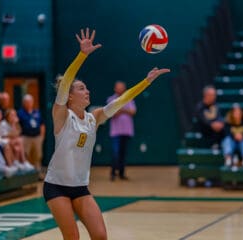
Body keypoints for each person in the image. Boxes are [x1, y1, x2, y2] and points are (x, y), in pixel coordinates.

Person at [43, 28, 170, 240]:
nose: (87, 91)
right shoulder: (61, 115)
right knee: (72, 237)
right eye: (82, 89)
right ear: (70, 97)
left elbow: (121, 101)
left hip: (80, 187)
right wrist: (82, 55)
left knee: (100, 236)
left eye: (86, 88)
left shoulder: (94, 118)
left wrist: (146, 81)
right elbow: (66, 82)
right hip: (56, 187)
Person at [107, 81, 136, 181]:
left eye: (122, 87)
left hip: (126, 131)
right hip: (115, 132)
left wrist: (121, 110)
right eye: (119, 87)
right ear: (115, 88)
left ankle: (121, 174)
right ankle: (113, 173)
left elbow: (133, 111)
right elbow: (111, 113)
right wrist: (124, 110)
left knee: (123, 153)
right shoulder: (111, 99)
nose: (121, 89)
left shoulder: (129, 98)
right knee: (115, 153)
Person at [18, 94, 45, 174]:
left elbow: (42, 124)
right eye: (27, 102)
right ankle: (27, 175)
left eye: (30, 101)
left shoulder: (36, 112)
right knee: (26, 155)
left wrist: (42, 136)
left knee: (38, 156)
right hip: (26, 137)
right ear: (24, 103)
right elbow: (17, 125)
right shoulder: (20, 113)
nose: (29, 103)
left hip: (37, 137)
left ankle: (37, 174)